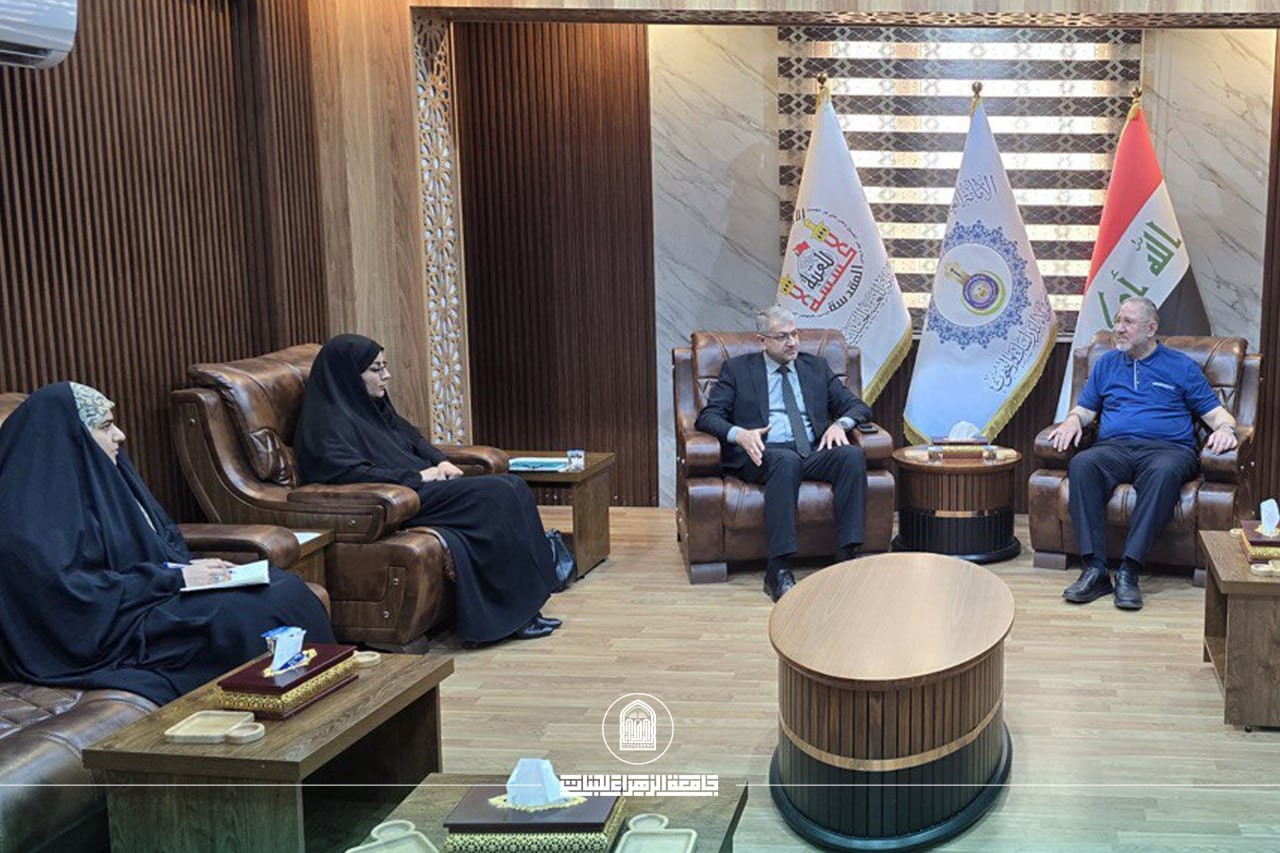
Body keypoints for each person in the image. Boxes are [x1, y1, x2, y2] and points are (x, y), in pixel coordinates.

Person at [0, 382, 334, 705]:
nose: (120, 435)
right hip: (103, 630)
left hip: (141, 599)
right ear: (73, 438)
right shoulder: (26, 515)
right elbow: (71, 599)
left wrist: (188, 568)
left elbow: (154, 542)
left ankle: (331, 708)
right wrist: (175, 578)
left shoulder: (101, 478)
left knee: (283, 587)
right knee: (244, 616)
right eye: (105, 426)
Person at [293, 334, 561, 645]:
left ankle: (531, 600)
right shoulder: (326, 422)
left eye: (385, 366)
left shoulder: (373, 406)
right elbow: (347, 472)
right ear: (349, 376)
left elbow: (414, 439)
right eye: (376, 369)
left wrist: (441, 461)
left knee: (513, 485)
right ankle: (509, 618)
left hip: (420, 484)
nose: (386, 376)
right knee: (495, 495)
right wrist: (417, 476)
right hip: (395, 498)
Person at [1049, 297, 1238, 610]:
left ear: (1151, 329)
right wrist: (1071, 420)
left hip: (1168, 450)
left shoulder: (1181, 367)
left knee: (1163, 472)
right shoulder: (1106, 364)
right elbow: (1085, 409)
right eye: (1117, 321)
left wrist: (1226, 430)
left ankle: (1129, 570)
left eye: (1128, 322)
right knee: (1083, 464)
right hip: (1114, 448)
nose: (1118, 329)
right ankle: (1096, 569)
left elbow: (1217, 415)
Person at [695, 306, 873, 602]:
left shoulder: (815, 367)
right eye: (782, 337)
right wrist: (741, 434)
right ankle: (777, 568)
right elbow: (708, 417)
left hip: (811, 450)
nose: (792, 342)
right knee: (786, 461)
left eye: (795, 334)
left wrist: (840, 425)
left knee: (851, 456)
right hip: (763, 453)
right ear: (762, 341)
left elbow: (857, 407)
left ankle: (846, 556)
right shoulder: (737, 370)